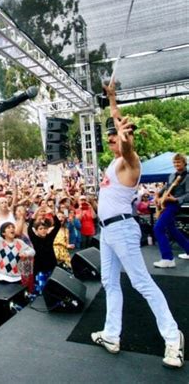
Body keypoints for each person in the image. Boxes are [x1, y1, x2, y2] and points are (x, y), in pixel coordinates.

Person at [91, 80, 184, 369]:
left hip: (121, 229)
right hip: (107, 231)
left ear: (125, 140)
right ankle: (111, 334)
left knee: (141, 282)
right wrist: (113, 98)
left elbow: (128, 145)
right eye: (108, 140)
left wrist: (125, 136)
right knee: (109, 282)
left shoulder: (131, 163)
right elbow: (118, 124)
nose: (111, 143)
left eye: (114, 139)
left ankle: (173, 338)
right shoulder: (115, 162)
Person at [153, 153, 189, 268]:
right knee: (172, 229)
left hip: (174, 205)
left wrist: (176, 199)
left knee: (158, 228)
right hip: (166, 204)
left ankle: (168, 258)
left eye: (179, 162)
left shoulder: (188, 176)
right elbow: (166, 188)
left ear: (184, 163)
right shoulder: (172, 175)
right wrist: (158, 195)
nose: (176, 164)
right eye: (174, 162)